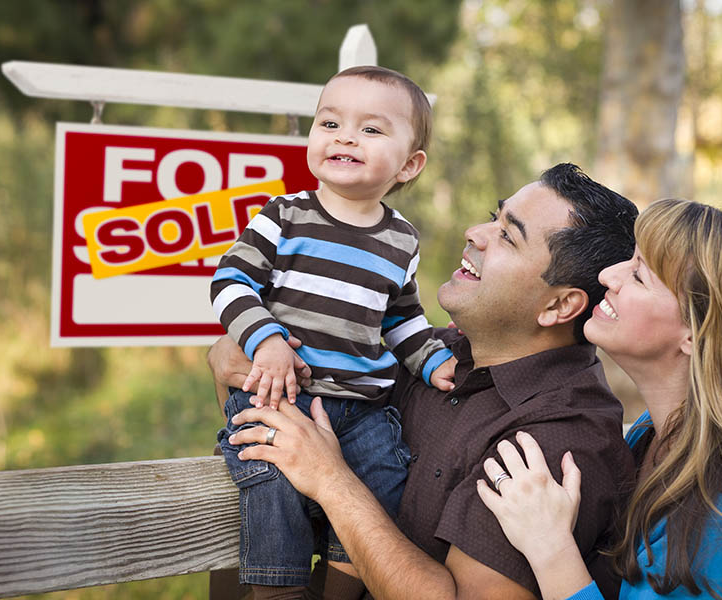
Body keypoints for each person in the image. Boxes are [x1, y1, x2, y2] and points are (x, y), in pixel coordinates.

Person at [209, 163, 640, 599]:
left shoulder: (560, 440)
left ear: (560, 305)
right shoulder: (431, 355)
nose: (475, 232)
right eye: (494, 217)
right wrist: (237, 356)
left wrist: (332, 481)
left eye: (508, 235)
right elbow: (260, 424)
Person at [476, 198, 722, 599]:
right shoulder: (654, 435)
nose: (608, 275)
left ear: (696, 333)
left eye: (638, 275)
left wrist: (550, 548)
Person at [210, 65, 456, 599]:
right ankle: (278, 590)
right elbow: (229, 281)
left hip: (363, 407)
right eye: (330, 122)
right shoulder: (284, 217)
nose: (345, 136)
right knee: (270, 483)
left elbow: (401, 317)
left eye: (371, 129)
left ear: (410, 164)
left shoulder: (402, 240)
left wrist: (434, 360)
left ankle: (342, 586)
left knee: (385, 475)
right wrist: (266, 340)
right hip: (281, 395)